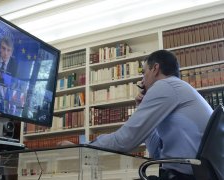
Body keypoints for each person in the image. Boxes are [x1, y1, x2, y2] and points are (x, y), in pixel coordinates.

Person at [60, 50, 213, 180]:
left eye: (144, 72)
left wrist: (83, 147)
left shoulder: (165, 86)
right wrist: (142, 108)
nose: (142, 79)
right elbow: (156, 153)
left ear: (155, 69)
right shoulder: (177, 89)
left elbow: (124, 141)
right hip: (193, 173)